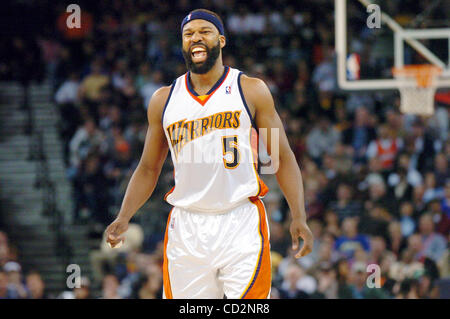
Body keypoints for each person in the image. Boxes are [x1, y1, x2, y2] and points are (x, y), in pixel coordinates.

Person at [105, 8, 313, 299]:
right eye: (188, 34)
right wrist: (124, 215)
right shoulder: (163, 100)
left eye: (205, 31)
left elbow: (283, 157)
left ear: (222, 40)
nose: (196, 38)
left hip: (240, 219)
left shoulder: (250, 90)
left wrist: (299, 215)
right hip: (187, 225)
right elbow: (148, 168)